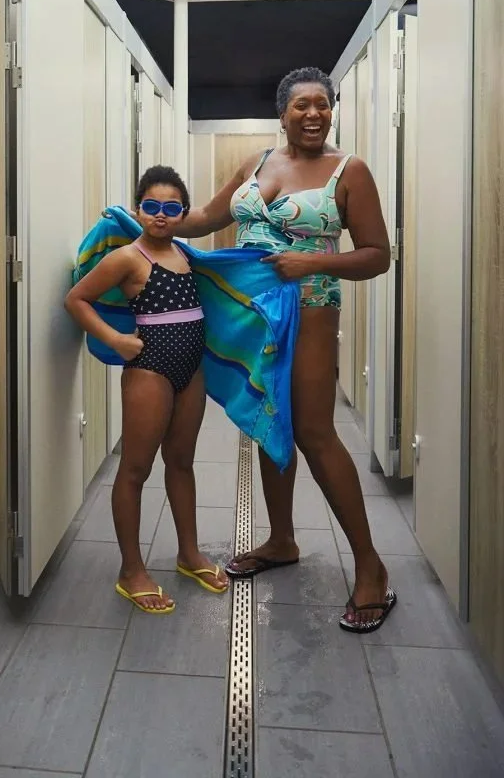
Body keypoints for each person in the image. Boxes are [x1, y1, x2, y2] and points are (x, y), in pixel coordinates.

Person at [173, 67, 396, 632]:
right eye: (303, 105)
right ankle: (281, 540)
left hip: (312, 310)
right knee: (268, 422)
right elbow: (205, 219)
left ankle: (371, 566)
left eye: (323, 104)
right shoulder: (257, 163)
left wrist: (312, 261)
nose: (314, 113)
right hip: (254, 316)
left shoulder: (350, 170)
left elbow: (377, 255)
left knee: (315, 434)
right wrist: (151, 217)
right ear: (283, 113)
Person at [64, 165, 229, 614]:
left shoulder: (186, 256)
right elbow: (76, 299)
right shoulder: (127, 258)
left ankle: (189, 554)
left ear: (183, 214)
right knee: (135, 470)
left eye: (171, 208)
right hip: (149, 370)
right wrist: (115, 340)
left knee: (182, 462)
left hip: (190, 371)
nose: (160, 214)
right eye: (152, 206)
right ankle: (131, 570)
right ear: (138, 210)